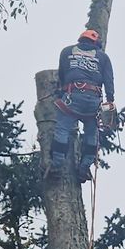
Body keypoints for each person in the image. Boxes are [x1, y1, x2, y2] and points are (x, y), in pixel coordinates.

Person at [50, 26, 116, 180]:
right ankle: (84, 168)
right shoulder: (103, 57)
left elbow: (62, 74)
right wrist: (110, 101)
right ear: (96, 43)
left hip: (72, 97)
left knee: (62, 128)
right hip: (93, 101)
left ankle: (57, 164)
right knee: (92, 134)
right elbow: (109, 81)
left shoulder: (66, 51)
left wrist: (61, 91)